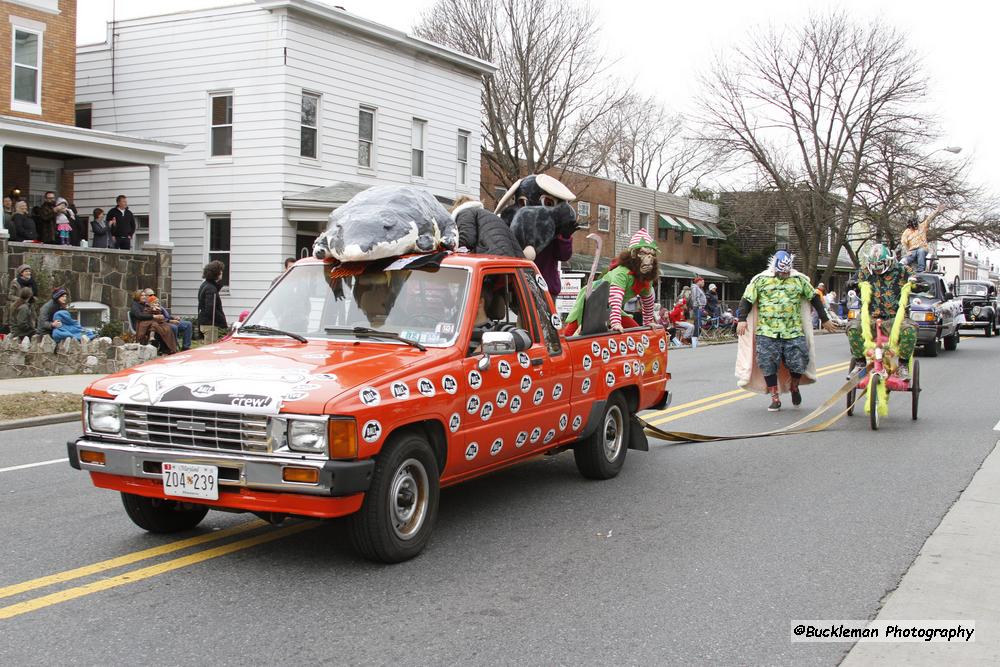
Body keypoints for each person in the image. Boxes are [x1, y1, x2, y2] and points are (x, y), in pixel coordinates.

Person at [735, 251, 837, 412]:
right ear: (775, 267)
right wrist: (741, 320)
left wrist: (824, 319)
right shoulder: (761, 281)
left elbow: (814, 298)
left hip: (793, 331)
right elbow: (746, 300)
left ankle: (794, 386)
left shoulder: (798, 281)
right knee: (767, 363)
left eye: (787, 271)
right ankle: (774, 397)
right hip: (767, 332)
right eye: (782, 271)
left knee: (799, 362)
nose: (784, 273)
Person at [562, 229, 659, 336]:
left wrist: (649, 322)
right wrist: (616, 322)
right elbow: (615, 298)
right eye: (643, 253)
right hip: (593, 301)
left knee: (636, 331)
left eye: (652, 254)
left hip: (611, 309)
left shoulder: (645, 278)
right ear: (633, 254)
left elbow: (648, 300)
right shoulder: (622, 273)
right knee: (570, 333)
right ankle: (556, 346)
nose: (649, 258)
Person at [847, 243, 918, 380]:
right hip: (870, 318)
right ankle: (860, 363)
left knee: (910, 330)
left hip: (895, 318)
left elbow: (917, 281)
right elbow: (852, 282)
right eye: (874, 266)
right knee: (853, 328)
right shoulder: (864, 271)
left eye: (880, 265)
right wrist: (851, 284)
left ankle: (902, 365)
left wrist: (917, 284)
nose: (877, 269)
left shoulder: (902, 270)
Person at [901, 203, 946, 273]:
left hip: (922, 248)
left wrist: (937, 210)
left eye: (915, 226)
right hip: (912, 250)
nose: (914, 228)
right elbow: (903, 242)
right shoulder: (907, 232)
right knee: (911, 256)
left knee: (920, 251)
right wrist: (907, 251)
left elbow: (929, 218)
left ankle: (920, 269)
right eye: (913, 227)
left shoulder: (922, 226)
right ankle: (901, 265)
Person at [198, 260, 228, 343]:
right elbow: (210, 309)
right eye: (220, 271)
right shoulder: (210, 288)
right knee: (210, 348)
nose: (222, 273)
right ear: (216, 273)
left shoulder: (206, 285)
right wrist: (222, 320)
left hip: (205, 322)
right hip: (209, 324)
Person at [689, 277, 707, 348]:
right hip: (697, 307)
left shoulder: (698, 288)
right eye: (702, 282)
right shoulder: (695, 287)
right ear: (698, 281)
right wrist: (700, 305)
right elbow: (696, 297)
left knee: (699, 322)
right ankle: (695, 339)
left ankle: (696, 339)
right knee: (697, 323)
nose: (703, 283)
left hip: (700, 307)